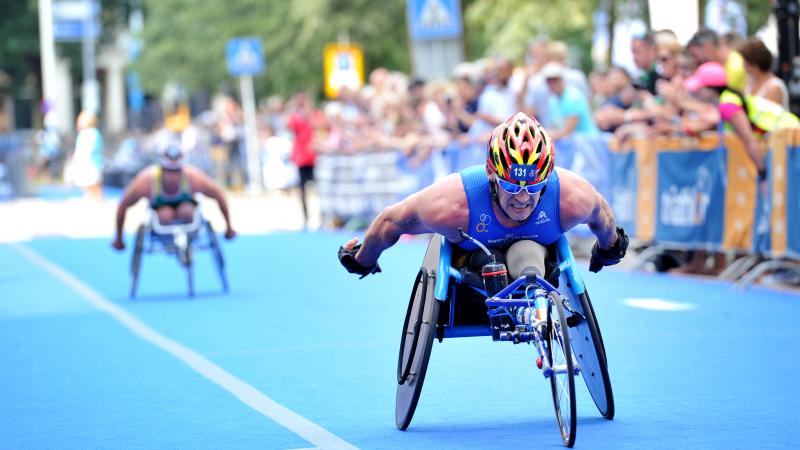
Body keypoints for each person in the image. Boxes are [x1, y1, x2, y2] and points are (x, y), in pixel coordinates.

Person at [338, 112, 628, 284]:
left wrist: (609, 248)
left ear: (548, 176)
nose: (523, 198)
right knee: (493, 264)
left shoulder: (572, 197)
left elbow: (602, 215)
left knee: (526, 256)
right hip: (474, 261)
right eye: (512, 186)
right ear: (491, 173)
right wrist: (363, 259)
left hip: (537, 258)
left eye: (534, 185)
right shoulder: (452, 204)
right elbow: (392, 220)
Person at [684, 61, 800, 179]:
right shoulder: (726, 100)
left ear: (710, 89)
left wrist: (763, 175)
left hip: (793, 139)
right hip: (787, 141)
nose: (694, 93)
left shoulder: (728, 105)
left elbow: (749, 141)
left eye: (698, 89)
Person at [111, 141, 236, 251]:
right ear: (161, 169)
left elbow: (219, 195)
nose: (173, 177)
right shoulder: (147, 180)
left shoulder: (193, 177)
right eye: (169, 171)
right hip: (162, 218)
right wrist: (119, 238)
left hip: (186, 213)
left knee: (186, 211)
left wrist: (229, 227)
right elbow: (123, 205)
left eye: (176, 171)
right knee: (165, 214)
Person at [68, 111, 104, 200]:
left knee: (92, 185)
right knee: (90, 186)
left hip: (90, 163)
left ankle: (96, 201)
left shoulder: (89, 133)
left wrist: (76, 161)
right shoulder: (92, 133)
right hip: (90, 163)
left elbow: (85, 151)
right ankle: (94, 200)